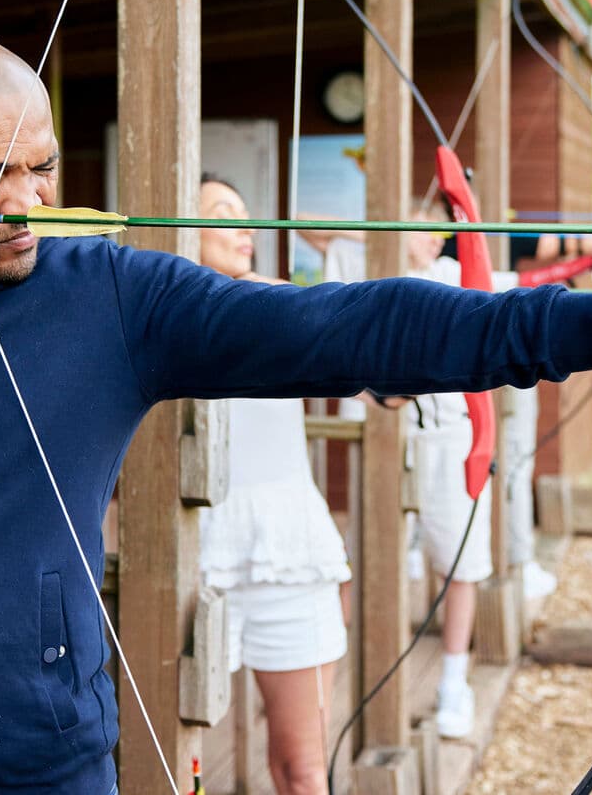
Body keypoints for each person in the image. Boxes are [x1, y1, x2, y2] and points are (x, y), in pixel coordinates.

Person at [0, 31, 592, 794]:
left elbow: (349, 326)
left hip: (34, 767)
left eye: (39, 168)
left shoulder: (104, 298)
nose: (26, 203)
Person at [320, 210, 592, 739]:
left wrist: (591, 262)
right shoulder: (367, 266)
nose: (423, 234)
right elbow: (311, 224)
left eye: (431, 228)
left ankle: (452, 681)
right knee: (360, 558)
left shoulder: (455, 275)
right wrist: (381, 228)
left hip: (450, 440)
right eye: (412, 222)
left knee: (460, 565)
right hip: (384, 438)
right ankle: (326, 670)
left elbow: (531, 287)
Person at [197, 175, 349, 795]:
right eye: (221, 213)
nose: (244, 228)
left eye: (245, 215)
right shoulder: (155, 312)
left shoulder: (279, 306)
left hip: (287, 549)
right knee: (180, 765)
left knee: (302, 770)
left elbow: (359, 359)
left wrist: (274, 296)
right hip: (194, 549)